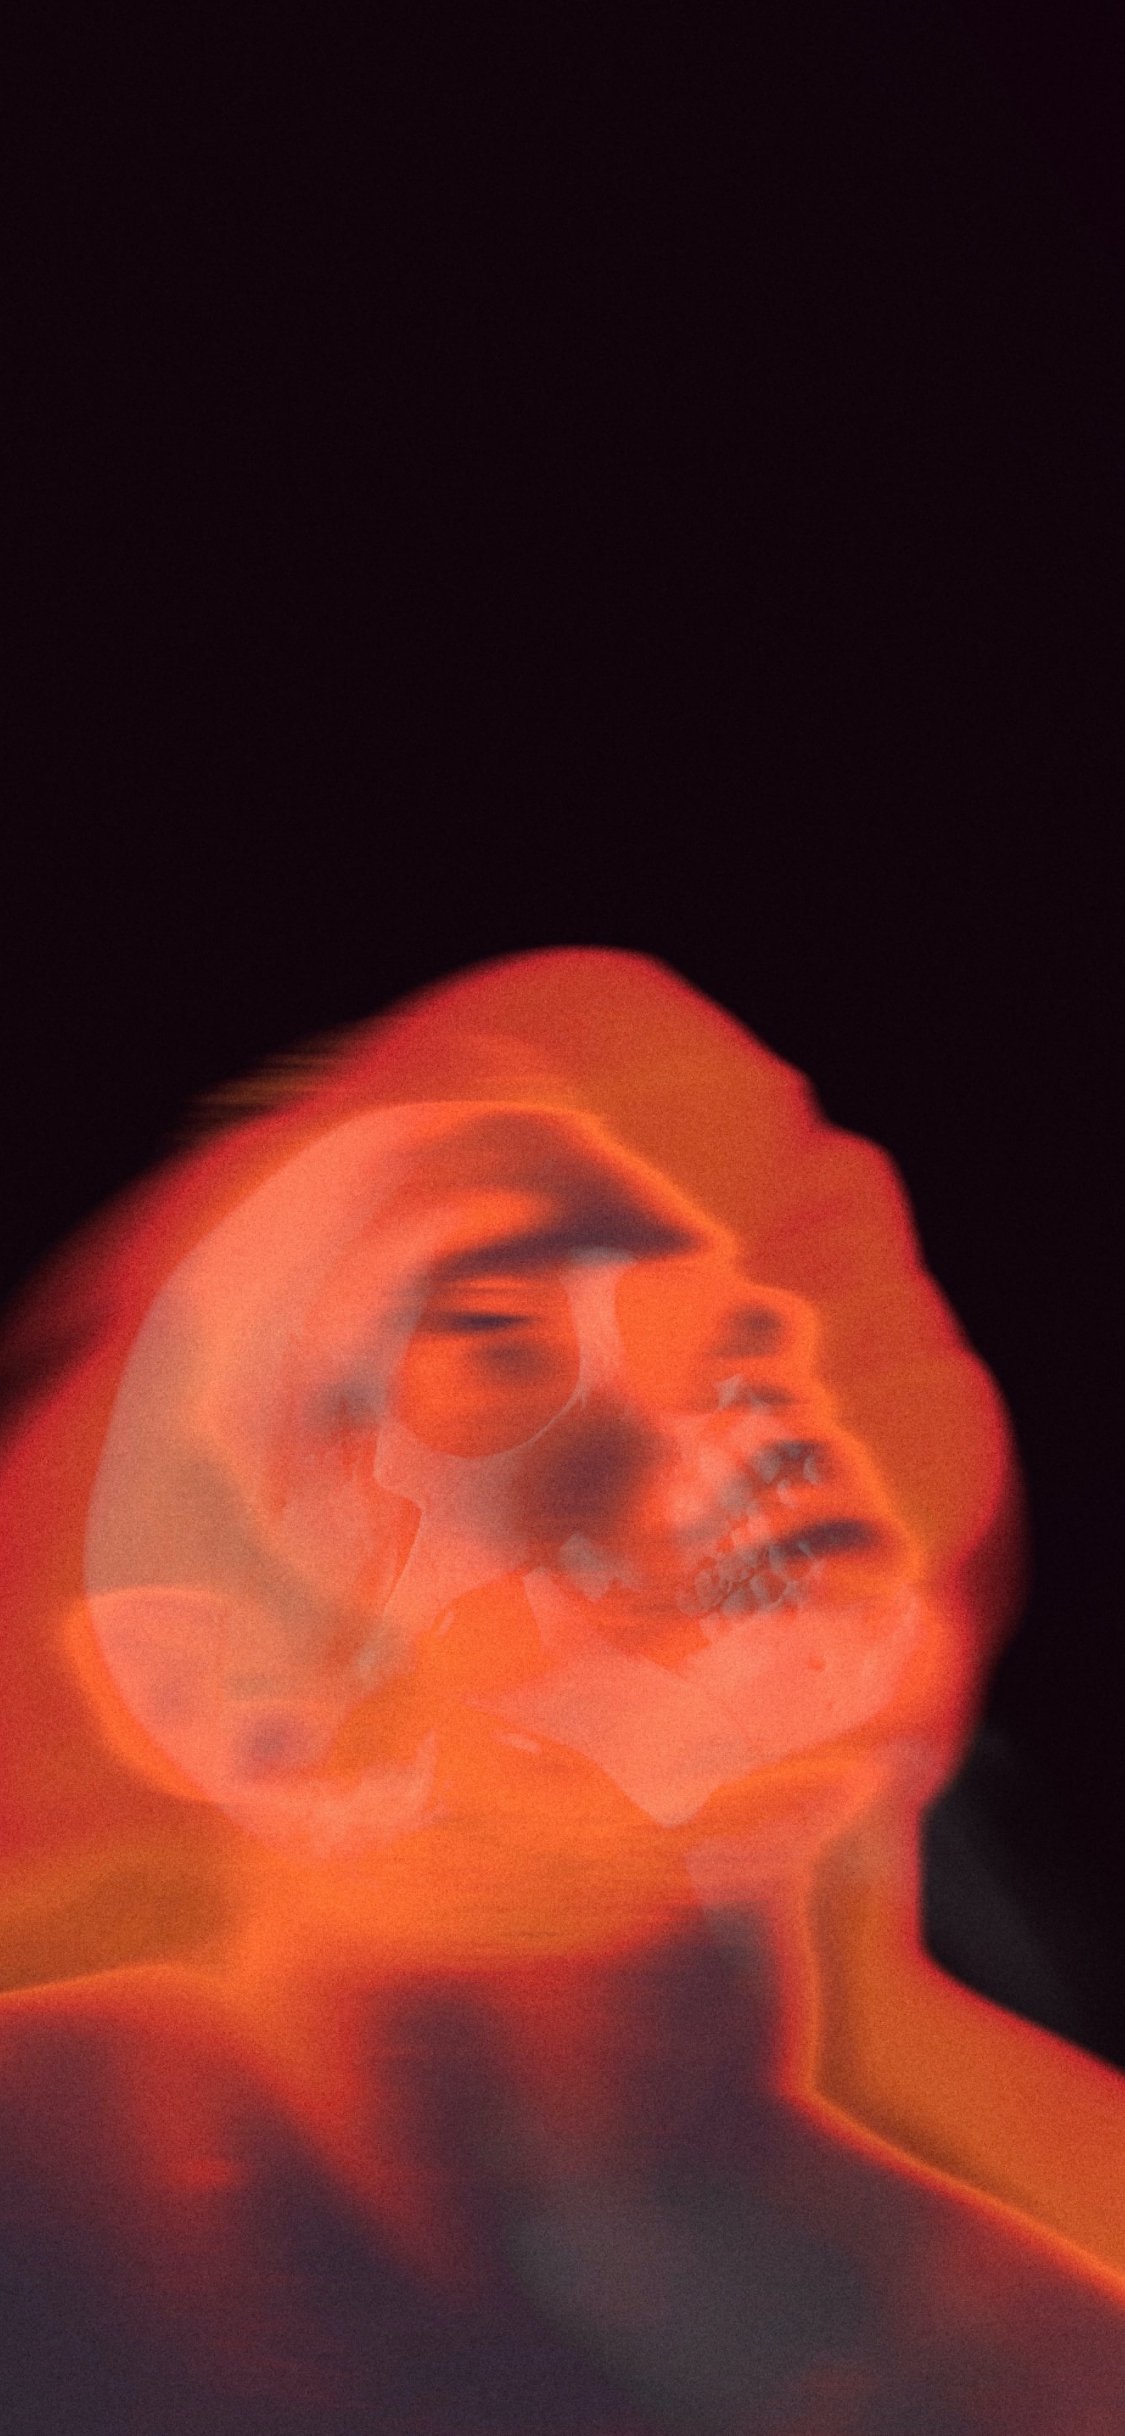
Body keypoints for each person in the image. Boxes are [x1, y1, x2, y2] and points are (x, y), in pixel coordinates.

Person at [0, 946, 1122, 2434]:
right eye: (493, 1327)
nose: (767, 1341)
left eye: (734, 1295)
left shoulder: (1039, 2378)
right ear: (220, 1690)